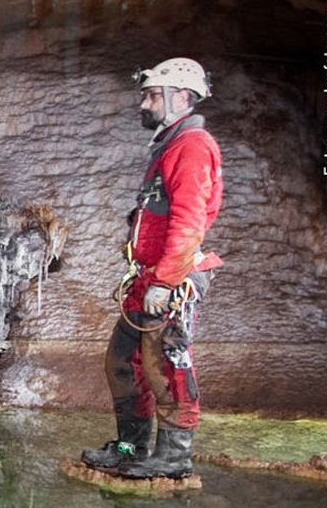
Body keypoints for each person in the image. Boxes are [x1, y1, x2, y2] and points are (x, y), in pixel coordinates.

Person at [81, 58, 223, 479]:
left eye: (151, 96)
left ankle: (174, 456)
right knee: (122, 361)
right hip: (148, 277)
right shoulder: (170, 144)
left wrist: (166, 281)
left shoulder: (192, 146)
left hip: (169, 278)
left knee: (167, 363)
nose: (143, 103)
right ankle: (130, 446)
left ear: (180, 97)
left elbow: (189, 221)